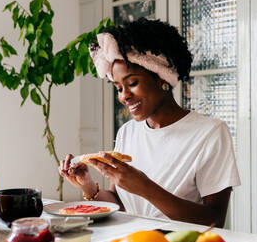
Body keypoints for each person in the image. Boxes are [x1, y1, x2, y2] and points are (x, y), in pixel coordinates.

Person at [59, 18, 240, 227]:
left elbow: (214, 220)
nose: (123, 96)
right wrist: (88, 186)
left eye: (132, 83)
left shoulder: (210, 133)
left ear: (162, 77)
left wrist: (145, 187)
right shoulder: (127, 132)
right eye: (118, 88)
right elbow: (120, 203)